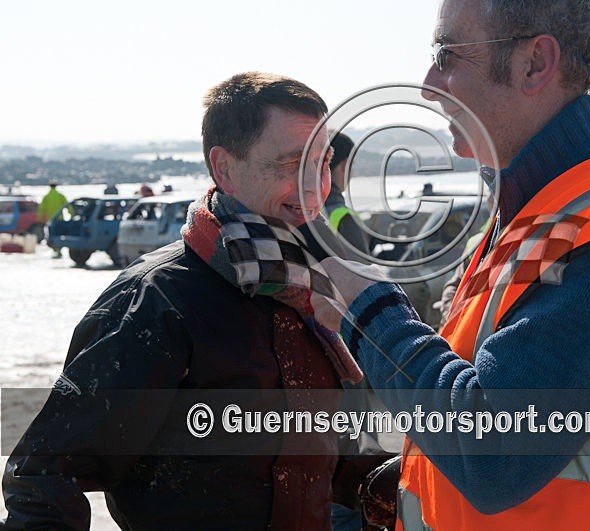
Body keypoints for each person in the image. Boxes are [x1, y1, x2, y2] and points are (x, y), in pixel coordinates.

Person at [310, 0, 590, 529]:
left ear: (535, 64)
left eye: (446, 55)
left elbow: (492, 453)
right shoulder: (547, 204)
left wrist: (368, 311)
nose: (426, 83)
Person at [2, 72, 359, 530]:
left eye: (322, 163)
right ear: (224, 168)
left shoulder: (311, 285)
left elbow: (324, 444)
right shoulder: (156, 300)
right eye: (290, 165)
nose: (315, 187)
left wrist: (376, 482)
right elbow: (45, 474)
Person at [325, 132, 370, 257]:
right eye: (352, 165)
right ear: (345, 165)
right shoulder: (344, 217)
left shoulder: (301, 206)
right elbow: (363, 273)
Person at [37, 179, 69, 257]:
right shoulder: (60, 195)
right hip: (60, 219)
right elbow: (68, 205)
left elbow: (41, 208)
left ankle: (57, 251)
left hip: (51, 220)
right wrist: (72, 214)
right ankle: (59, 250)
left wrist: (39, 219)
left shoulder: (46, 197)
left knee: (52, 236)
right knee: (60, 235)